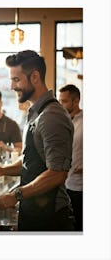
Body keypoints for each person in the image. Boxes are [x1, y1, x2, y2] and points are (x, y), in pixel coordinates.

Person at [0, 50, 75, 231]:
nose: (12, 86)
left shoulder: (51, 116)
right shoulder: (36, 112)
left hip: (51, 217)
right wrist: (2, 170)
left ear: (35, 77)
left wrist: (16, 195)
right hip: (35, 210)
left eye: (16, 80)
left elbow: (57, 173)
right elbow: (31, 161)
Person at [59, 84, 83, 231]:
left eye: (64, 101)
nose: (60, 105)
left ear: (76, 101)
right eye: (59, 101)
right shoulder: (62, 122)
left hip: (81, 187)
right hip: (63, 185)